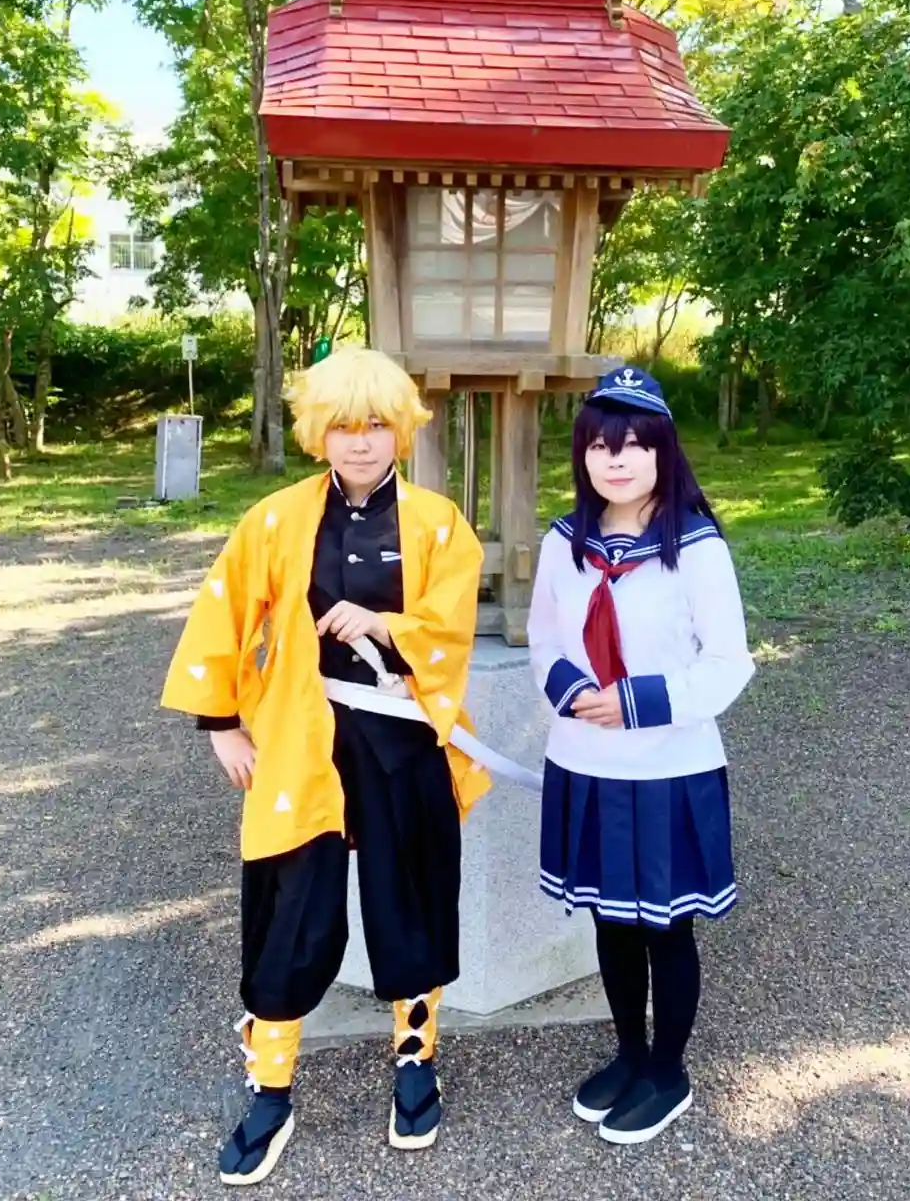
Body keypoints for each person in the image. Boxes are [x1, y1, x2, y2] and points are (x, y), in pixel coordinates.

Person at [161, 347, 490, 1186]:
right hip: (301, 743)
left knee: (412, 898)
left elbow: (450, 627)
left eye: (376, 423)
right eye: (343, 425)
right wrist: (220, 723)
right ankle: (271, 1089)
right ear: (319, 432)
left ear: (401, 429)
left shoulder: (437, 522)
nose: (361, 441)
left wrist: (385, 627)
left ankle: (415, 1063)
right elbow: (225, 609)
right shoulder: (276, 519)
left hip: (402, 741)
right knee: (289, 907)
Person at [528, 365, 756, 1146]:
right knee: (611, 922)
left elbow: (728, 664)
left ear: (662, 451)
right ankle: (629, 1053)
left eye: (632, 445)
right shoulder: (565, 542)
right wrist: (571, 691)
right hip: (584, 759)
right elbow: (544, 638)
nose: (615, 460)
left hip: (667, 766)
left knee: (665, 927)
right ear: (582, 455)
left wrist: (633, 702)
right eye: (599, 445)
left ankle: (668, 1070)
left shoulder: (695, 547)